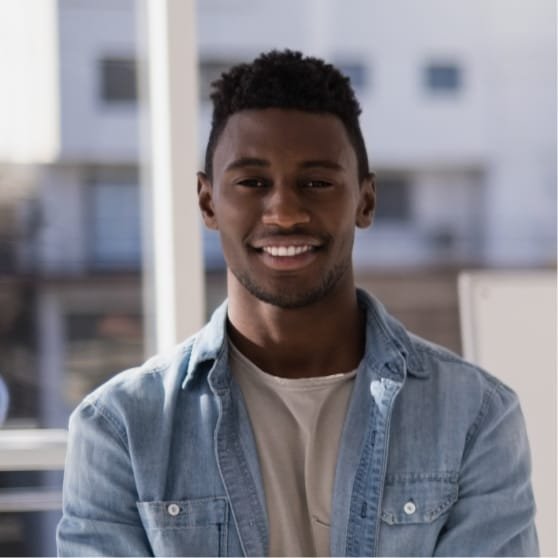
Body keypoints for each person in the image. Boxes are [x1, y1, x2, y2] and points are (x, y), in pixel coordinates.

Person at [57, 50, 538, 557]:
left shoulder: (475, 416)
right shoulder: (120, 429)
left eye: (316, 183)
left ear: (365, 200)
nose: (285, 213)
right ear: (207, 201)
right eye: (252, 183)